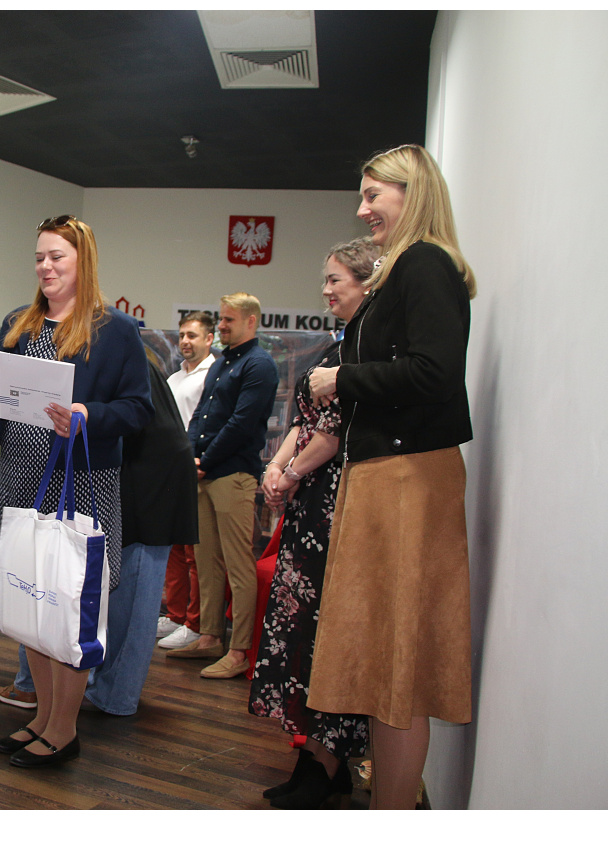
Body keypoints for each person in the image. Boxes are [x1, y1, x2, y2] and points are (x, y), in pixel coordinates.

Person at [0, 215, 152, 768]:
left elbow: (137, 408)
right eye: (39, 258)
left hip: (79, 480)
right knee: (30, 599)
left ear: (83, 261)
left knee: (67, 605)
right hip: (21, 475)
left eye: (57, 257)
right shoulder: (20, 322)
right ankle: (42, 717)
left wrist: (87, 415)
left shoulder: (116, 330)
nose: (45, 267)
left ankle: (64, 729)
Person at [307, 144, 476, 811]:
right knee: (383, 664)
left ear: (414, 194)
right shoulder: (404, 269)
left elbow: (435, 372)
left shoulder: (425, 263)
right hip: (386, 476)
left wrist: (342, 378)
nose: (363, 209)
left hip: (408, 478)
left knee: (399, 664)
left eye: (374, 194)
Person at [248, 237, 380, 809]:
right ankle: (314, 758)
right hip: (308, 502)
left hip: (335, 506)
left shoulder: (366, 350)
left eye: (335, 280)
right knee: (301, 631)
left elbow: (333, 433)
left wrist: (291, 474)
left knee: (326, 634)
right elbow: (304, 425)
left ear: (367, 283)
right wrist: (275, 468)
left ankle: (327, 762)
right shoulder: (336, 344)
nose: (325, 290)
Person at [3, 346, 198, 716]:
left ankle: (113, 696)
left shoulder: (113, 356)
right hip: (143, 478)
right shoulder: (129, 358)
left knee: (131, 602)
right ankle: (95, 689)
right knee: (109, 597)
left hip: (151, 485)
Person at [167, 293, 278, 679]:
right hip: (205, 473)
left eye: (229, 320)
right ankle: (210, 637)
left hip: (233, 475)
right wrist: (191, 458)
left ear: (251, 321)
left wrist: (205, 461)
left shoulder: (259, 364)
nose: (223, 326)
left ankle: (239, 650)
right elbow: (200, 415)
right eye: (222, 319)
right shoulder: (222, 363)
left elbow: (242, 424)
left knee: (237, 564)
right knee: (206, 562)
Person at [156, 310, 218, 651]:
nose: (184, 341)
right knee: (174, 548)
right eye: (181, 335)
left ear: (209, 339)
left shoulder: (214, 375)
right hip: (170, 470)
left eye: (192, 335)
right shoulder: (173, 378)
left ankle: (195, 623)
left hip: (197, 469)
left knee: (196, 552)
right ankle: (176, 615)